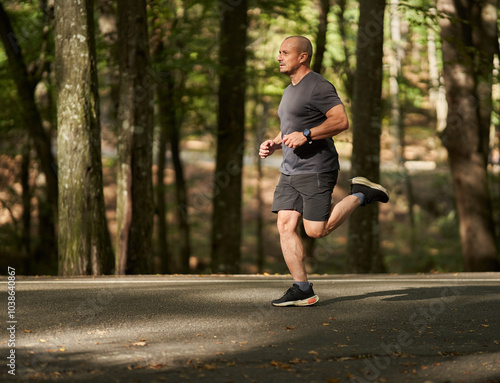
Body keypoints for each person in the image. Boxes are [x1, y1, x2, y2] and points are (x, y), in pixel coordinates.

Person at [259, 36, 389, 307]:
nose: (279, 57)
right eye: (279, 52)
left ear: (302, 57)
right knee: (285, 225)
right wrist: (275, 142)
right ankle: (302, 288)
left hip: (316, 168)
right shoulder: (289, 90)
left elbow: (341, 121)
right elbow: (291, 129)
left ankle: (361, 194)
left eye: (285, 52)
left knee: (316, 231)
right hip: (290, 170)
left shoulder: (318, 86)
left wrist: (307, 135)